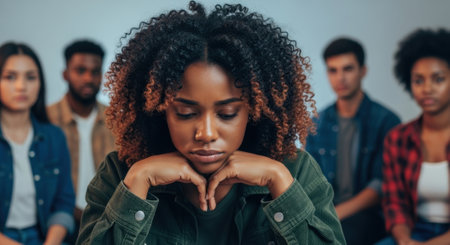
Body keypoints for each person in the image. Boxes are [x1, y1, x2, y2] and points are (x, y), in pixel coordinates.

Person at [76, 2, 345, 244]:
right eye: (185, 113)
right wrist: (138, 182)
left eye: (227, 114)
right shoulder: (121, 174)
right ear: (159, 111)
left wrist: (278, 182)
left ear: (253, 110)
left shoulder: (294, 172)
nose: (206, 133)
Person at [306, 37, 401, 244]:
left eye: (348, 69)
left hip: (368, 216)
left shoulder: (386, 120)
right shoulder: (317, 123)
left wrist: (335, 214)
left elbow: (380, 185)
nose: (340, 78)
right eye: (333, 70)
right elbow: (308, 179)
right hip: (326, 212)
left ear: (363, 70)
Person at [376, 29, 450, 245]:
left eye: (438, 79)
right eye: (418, 81)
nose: (427, 89)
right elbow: (394, 203)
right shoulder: (397, 138)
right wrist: (405, 240)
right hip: (415, 232)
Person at [0, 42, 75, 244]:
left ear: (40, 83)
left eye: (30, 77)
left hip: (41, 238)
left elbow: (64, 202)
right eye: (10, 77)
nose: (21, 86)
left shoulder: (54, 137)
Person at [46, 40, 115, 231]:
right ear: (65, 74)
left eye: (95, 72)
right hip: (57, 222)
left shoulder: (115, 120)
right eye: (80, 70)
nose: (88, 78)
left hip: (106, 221)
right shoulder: (46, 120)